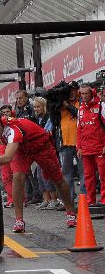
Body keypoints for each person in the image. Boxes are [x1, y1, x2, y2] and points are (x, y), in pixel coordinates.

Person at [0, 109, 76, 233]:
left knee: (57, 179)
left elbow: (7, 157)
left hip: (41, 146)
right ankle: (19, 220)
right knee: (17, 177)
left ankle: (70, 212)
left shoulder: (12, 129)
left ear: (2, 122)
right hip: (22, 150)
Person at [50, 81, 85, 209]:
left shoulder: (81, 103)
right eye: (69, 90)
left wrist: (66, 105)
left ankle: (85, 199)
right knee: (66, 174)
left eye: (74, 90)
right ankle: (69, 201)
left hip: (80, 144)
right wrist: (56, 103)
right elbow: (54, 121)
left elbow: (80, 115)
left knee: (83, 172)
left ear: (78, 91)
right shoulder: (60, 105)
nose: (71, 92)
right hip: (65, 143)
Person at [77, 84, 105, 205]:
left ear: (92, 93)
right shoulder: (80, 109)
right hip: (86, 149)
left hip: (100, 148)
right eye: (82, 94)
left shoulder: (101, 106)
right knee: (88, 177)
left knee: (103, 176)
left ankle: (104, 200)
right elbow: (79, 130)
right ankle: (90, 200)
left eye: (86, 93)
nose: (84, 96)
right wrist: (78, 147)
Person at [32, 97, 58, 210]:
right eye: (34, 107)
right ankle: (45, 199)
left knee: (47, 175)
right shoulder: (37, 119)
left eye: (38, 106)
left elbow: (46, 133)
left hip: (47, 150)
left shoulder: (49, 118)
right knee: (39, 176)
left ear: (44, 106)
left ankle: (54, 200)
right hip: (39, 150)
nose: (36, 109)